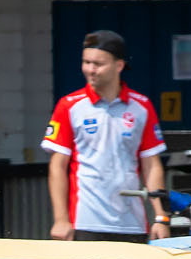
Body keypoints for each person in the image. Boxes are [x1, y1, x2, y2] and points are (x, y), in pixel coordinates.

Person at [43, 30, 168, 241]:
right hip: (85, 221)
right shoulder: (70, 106)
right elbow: (57, 166)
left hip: (132, 223)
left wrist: (161, 216)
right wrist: (61, 219)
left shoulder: (141, 107)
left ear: (118, 66)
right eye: (86, 62)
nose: (90, 70)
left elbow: (151, 165)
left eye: (98, 64)